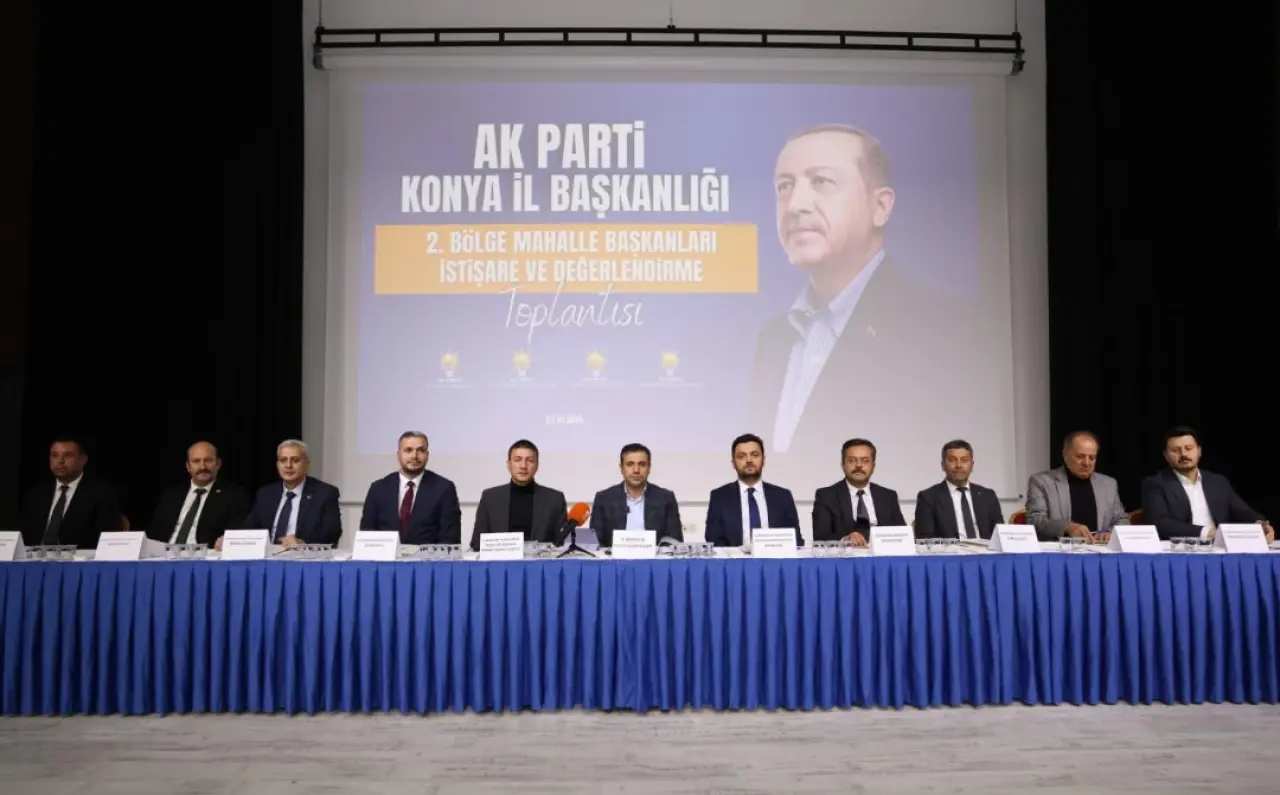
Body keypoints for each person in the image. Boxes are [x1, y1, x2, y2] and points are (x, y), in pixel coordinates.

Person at [746, 123, 982, 468]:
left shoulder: (943, 329)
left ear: (880, 207)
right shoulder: (774, 338)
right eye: (785, 186)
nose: (795, 204)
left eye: (821, 181)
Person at [1140, 426, 1274, 542]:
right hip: (1181, 549)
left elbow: (1242, 511)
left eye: (1188, 448)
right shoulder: (1155, 484)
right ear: (1166, 456)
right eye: (1175, 450)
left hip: (1220, 548)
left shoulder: (1217, 482)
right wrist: (1206, 532)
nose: (1183, 454)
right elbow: (1160, 523)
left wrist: (1260, 525)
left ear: (1199, 451)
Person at [359, 431, 461, 545]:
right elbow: (366, 535)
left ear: (427, 455)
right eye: (408, 450)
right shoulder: (378, 489)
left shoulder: (444, 489)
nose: (414, 456)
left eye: (420, 450)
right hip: (386, 556)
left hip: (427, 556)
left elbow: (449, 539)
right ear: (398, 455)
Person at [18, 437, 121, 549]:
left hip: (79, 557)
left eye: (67, 455)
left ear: (83, 460)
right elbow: (24, 536)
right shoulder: (36, 493)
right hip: (35, 557)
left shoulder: (101, 493)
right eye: (54, 455)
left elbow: (103, 538)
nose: (60, 461)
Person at [1025, 431, 1128, 543]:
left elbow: (1122, 520)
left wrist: (1110, 532)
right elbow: (1035, 520)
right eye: (1080, 456)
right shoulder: (1041, 482)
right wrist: (1067, 527)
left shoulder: (1108, 484)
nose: (1086, 463)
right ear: (1065, 454)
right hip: (1060, 549)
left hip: (1099, 548)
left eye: (1092, 458)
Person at [703, 433, 801, 547]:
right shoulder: (719, 497)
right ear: (733, 463)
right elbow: (714, 540)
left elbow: (795, 540)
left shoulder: (783, 496)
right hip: (735, 558)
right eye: (741, 456)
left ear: (763, 460)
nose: (749, 460)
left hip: (774, 557)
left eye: (755, 455)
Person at [145, 441, 250, 547]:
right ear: (188, 466)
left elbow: (236, 533)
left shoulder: (234, 495)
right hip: (165, 552)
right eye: (196, 461)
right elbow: (153, 533)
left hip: (205, 554)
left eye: (208, 460)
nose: (202, 467)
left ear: (218, 464)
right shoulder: (171, 495)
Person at [241, 439, 343, 546]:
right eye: (283, 460)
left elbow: (332, 532)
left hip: (303, 554)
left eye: (295, 460)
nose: (288, 465)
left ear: (306, 464)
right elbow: (249, 529)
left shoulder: (324, 493)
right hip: (269, 554)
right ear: (277, 465)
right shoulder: (266, 494)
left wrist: (302, 543)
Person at [471, 439, 567, 550]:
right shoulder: (490, 498)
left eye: (530, 461)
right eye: (517, 460)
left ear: (537, 465)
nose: (523, 466)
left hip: (540, 560)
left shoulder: (554, 499)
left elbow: (561, 545)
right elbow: (477, 543)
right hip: (500, 560)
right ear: (509, 465)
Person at [812, 438, 906, 545]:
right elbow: (820, 536)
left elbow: (902, 534)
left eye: (865, 461)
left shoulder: (888, 496)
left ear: (873, 466)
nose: (858, 465)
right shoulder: (826, 496)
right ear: (843, 465)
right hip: (846, 554)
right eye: (852, 461)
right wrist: (846, 539)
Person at [589, 443, 683, 547]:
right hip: (615, 557)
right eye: (630, 464)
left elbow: (674, 541)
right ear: (621, 468)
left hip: (654, 557)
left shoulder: (666, 498)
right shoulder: (604, 499)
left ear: (649, 467)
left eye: (642, 464)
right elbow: (595, 543)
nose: (636, 470)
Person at [914, 439, 1004, 540]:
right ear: (943, 465)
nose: (959, 465)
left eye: (964, 460)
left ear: (972, 465)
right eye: (952, 460)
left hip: (986, 549)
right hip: (949, 550)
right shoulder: (928, 498)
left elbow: (1000, 535)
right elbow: (925, 539)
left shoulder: (988, 496)